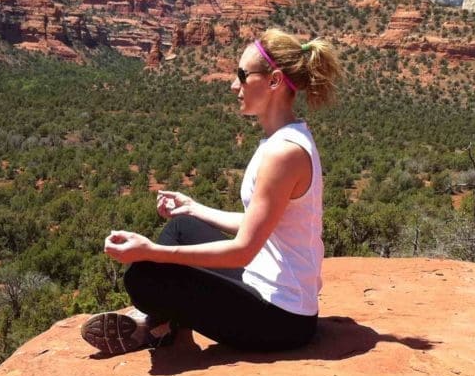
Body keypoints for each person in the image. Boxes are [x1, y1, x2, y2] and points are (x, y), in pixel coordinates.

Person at [81, 27, 341, 356]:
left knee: (142, 277)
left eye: (242, 75)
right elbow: (255, 224)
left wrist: (149, 251)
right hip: (266, 285)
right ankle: (162, 319)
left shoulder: (283, 154)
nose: (234, 85)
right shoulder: (282, 138)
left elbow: (242, 251)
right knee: (180, 227)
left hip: (282, 319)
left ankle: (156, 323)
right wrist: (193, 207)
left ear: (274, 81)